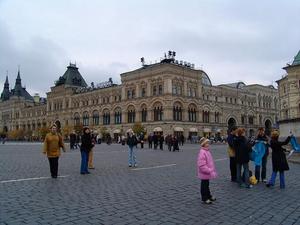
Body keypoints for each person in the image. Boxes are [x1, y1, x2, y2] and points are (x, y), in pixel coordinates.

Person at [197, 137, 217, 204]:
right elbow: (201, 165)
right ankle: (204, 198)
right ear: (203, 144)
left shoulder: (207, 151)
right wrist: (208, 170)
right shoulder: (202, 152)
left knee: (207, 185)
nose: (208, 144)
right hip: (205, 172)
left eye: (208, 143)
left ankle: (208, 195)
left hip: (207, 172)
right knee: (204, 186)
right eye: (206, 143)